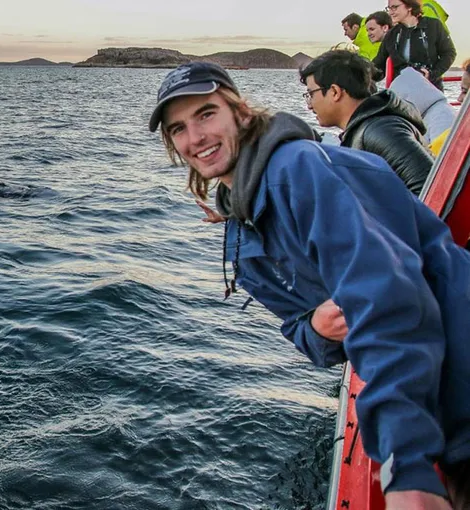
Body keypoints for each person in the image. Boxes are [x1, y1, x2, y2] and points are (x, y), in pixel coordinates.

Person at [149, 61, 470, 508]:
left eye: (206, 114)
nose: (195, 137)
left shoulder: (299, 169)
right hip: (445, 412)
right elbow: (300, 330)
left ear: (239, 111)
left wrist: (406, 463)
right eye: (178, 129)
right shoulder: (243, 233)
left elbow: (391, 304)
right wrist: (317, 328)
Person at [299, 50, 432, 195]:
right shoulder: (366, 128)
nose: (309, 105)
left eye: (311, 94)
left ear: (335, 92)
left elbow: (429, 189)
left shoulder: (381, 130)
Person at [372, 0, 456, 90]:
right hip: (401, 92)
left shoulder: (433, 25)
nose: (390, 12)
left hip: (430, 89)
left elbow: (449, 53)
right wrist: (363, 73)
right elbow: (378, 64)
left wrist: (432, 74)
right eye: (389, 8)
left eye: (394, 7)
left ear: (409, 6)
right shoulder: (391, 34)